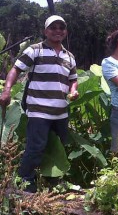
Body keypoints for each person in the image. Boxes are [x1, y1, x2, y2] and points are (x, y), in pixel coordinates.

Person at [0, 15, 79, 193]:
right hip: (39, 110)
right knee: (35, 147)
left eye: (61, 27)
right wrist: (7, 90)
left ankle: (52, 181)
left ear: (65, 32)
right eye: (53, 27)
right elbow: (16, 69)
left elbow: (73, 79)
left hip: (61, 112)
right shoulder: (35, 50)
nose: (57, 30)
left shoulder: (69, 56)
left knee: (57, 147)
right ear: (46, 31)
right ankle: (24, 183)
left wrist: (73, 91)